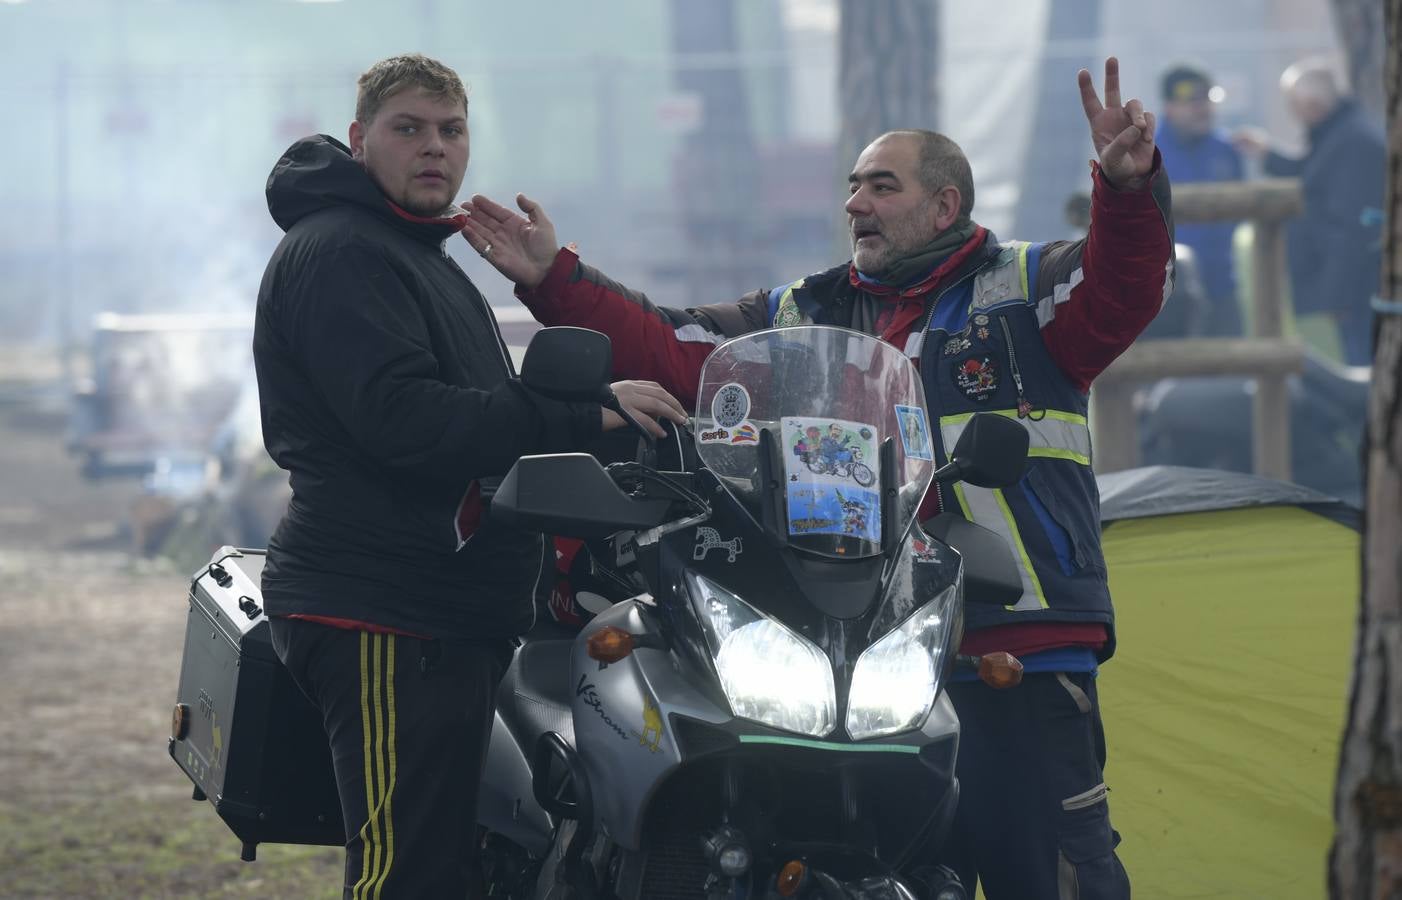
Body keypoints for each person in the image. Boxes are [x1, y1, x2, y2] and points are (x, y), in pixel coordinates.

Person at [465, 56, 1169, 899]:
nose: (854, 205)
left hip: (1012, 631)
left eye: (882, 187)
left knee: (1045, 866)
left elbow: (1124, 286)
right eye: (853, 186)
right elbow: (680, 349)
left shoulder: (1028, 290)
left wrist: (1127, 193)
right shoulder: (807, 310)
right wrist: (556, 279)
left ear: (945, 204)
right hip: (864, 628)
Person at [251, 53, 685, 899]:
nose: (434, 148)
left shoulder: (412, 253)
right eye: (407, 128)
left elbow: (478, 416)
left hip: (434, 608)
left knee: (451, 865)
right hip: (378, 609)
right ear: (358, 140)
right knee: (403, 875)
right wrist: (584, 411)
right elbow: (410, 424)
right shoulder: (345, 253)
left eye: (451, 131)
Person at [1234, 58, 1385, 365]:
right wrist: (1267, 154)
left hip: (1359, 289)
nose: (1293, 114)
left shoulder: (1354, 144)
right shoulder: (1340, 134)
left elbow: (1353, 228)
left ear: (1312, 104)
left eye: (1294, 105)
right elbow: (1315, 175)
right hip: (1357, 285)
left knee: (1365, 373)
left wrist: (1338, 294)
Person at [1155, 63, 1245, 336]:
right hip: (1165, 292)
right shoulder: (1147, 155)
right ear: (1170, 107)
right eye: (1192, 102)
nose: (1203, 109)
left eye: (1207, 99)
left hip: (1222, 285)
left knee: (1232, 368)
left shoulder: (1226, 150)